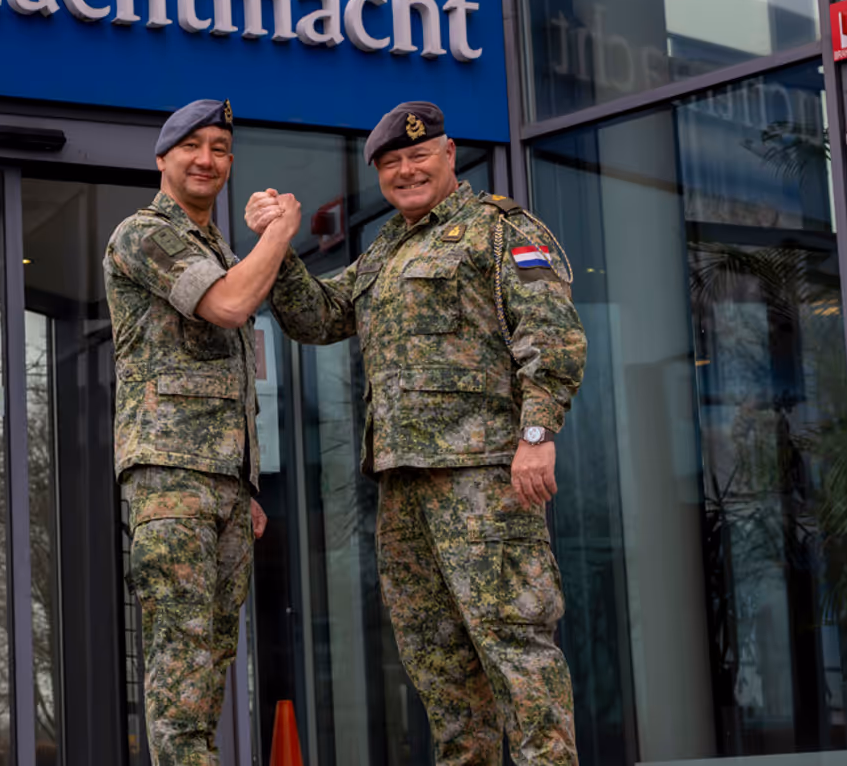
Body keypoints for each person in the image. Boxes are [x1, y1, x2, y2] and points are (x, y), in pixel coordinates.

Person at [250, 100, 585, 766]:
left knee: (513, 642)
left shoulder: (499, 229)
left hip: (484, 476)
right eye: (391, 163)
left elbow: (550, 333)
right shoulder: (386, 249)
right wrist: (277, 248)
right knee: (437, 660)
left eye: (417, 155)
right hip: (402, 489)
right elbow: (319, 317)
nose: (406, 171)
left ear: (449, 153)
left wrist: (538, 431)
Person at [103, 98, 299, 766]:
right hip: (171, 480)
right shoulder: (142, 233)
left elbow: (229, 377)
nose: (207, 158)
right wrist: (280, 233)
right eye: (193, 145)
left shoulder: (215, 247)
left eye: (219, 147)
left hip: (220, 487)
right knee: (180, 676)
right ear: (162, 159)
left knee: (210, 668)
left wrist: (243, 481)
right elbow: (229, 305)